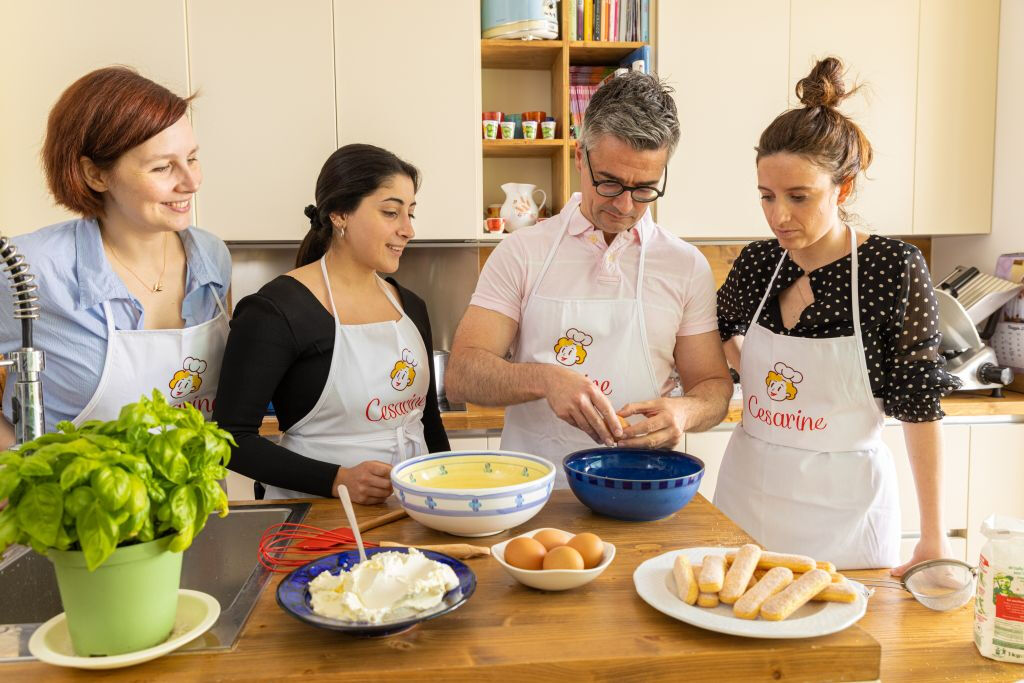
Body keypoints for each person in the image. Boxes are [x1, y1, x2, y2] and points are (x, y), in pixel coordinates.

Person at [713, 57, 960, 572]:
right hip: (747, 492)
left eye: (799, 197)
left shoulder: (892, 267)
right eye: (767, 196)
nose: (779, 215)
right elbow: (716, 331)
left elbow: (919, 403)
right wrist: (746, 371)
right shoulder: (760, 262)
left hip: (847, 511)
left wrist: (934, 534)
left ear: (842, 189)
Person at [446, 72, 733, 485]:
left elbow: (713, 386)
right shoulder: (522, 252)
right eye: (610, 182)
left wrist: (685, 412)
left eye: (645, 188)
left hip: (643, 490)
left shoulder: (685, 265)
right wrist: (545, 379)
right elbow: (463, 373)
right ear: (581, 157)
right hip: (535, 495)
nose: (625, 205)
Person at [0, 67, 230, 449]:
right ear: (95, 175)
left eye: (192, 158)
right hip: (74, 502)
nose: (191, 182)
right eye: (162, 167)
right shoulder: (30, 269)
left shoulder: (212, 258)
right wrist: (18, 475)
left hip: (193, 500)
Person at [213, 144, 449, 502]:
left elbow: (428, 420)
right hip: (314, 519)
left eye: (411, 214)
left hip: (409, 511)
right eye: (391, 212)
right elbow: (231, 437)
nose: (408, 229)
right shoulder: (275, 310)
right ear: (340, 214)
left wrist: (452, 491)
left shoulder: (410, 306)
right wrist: (336, 479)